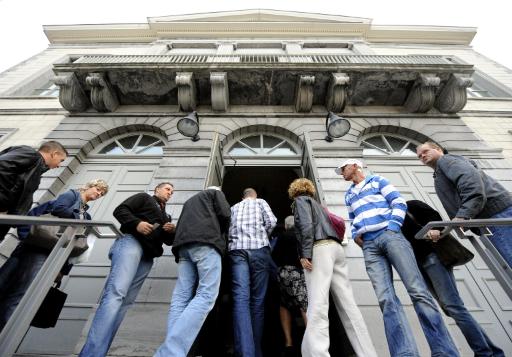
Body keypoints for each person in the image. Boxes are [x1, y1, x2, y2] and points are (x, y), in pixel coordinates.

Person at [337, 158, 459, 357]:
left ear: (355, 166)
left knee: (417, 291)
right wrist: (358, 236)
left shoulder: (377, 181)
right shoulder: (349, 194)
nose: (341, 173)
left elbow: (399, 202)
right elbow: (353, 218)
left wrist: (393, 227)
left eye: (343, 168)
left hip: (391, 236)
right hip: (369, 245)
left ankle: (444, 352)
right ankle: (404, 353)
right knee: (386, 298)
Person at [79, 182, 176, 357]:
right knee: (115, 295)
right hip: (131, 242)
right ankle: (90, 354)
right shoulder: (144, 197)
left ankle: (98, 352)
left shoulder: (166, 215)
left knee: (125, 303)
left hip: (148, 256)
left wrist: (171, 230)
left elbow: (168, 242)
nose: (170, 193)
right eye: (168, 189)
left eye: (172, 191)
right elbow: (120, 210)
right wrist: (137, 223)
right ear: (157, 189)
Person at [0, 179, 108, 331]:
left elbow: (73, 244)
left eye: (102, 194)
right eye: (98, 189)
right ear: (89, 186)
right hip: (34, 248)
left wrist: (64, 271)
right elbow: (58, 209)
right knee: (10, 286)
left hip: (49, 253)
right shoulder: (72, 195)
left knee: (20, 292)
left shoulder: (87, 216)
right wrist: (27, 237)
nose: (99, 194)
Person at [402, 199, 504, 357]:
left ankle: (484, 352)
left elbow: (437, 220)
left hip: (432, 257)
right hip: (417, 265)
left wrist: (435, 229)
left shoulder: (410, 205)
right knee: (450, 309)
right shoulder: (387, 218)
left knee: (454, 307)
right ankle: (493, 352)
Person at [289, 178, 377, 357]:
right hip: (336, 249)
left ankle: (318, 354)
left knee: (317, 305)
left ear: (294, 191)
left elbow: (306, 226)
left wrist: (304, 253)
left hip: (319, 249)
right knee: (349, 306)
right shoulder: (319, 206)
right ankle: (367, 353)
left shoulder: (300, 201)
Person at [154, 186, 231, 357]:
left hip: (183, 248)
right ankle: (170, 353)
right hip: (205, 244)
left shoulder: (189, 201)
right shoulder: (214, 192)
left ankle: (173, 350)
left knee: (180, 298)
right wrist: (222, 235)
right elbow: (226, 214)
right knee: (206, 295)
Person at [417, 141, 512, 267]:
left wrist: (463, 215)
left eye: (425, 151)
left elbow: (471, 185)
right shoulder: (440, 171)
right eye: (419, 156)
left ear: (439, 149)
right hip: (491, 217)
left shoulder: (446, 160)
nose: (422, 156)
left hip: (495, 215)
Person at [228, 187, 277, 357]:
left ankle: (245, 352)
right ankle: (256, 351)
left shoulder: (233, 207)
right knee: (257, 302)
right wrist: (262, 235)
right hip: (259, 250)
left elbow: (227, 229)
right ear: (254, 195)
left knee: (240, 299)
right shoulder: (261, 202)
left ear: (243, 197)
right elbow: (272, 222)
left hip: (237, 250)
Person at [0, 141, 68, 240]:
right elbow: (1, 165)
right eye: (61, 160)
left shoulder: (36, 165)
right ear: (55, 154)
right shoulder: (32, 155)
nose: (59, 165)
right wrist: (3, 202)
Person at [271, 215, 308, 357]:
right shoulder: (302, 235)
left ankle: (288, 342)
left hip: (283, 273)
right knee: (304, 304)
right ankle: (312, 338)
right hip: (299, 272)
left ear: (286, 226)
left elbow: (274, 256)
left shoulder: (282, 236)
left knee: (284, 305)